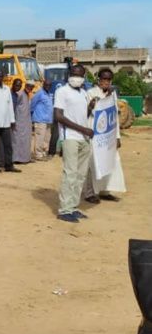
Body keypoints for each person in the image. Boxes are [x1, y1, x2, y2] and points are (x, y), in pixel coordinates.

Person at [54, 64, 96, 223]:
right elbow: (59, 116)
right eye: (73, 74)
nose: (75, 77)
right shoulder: (62, 91)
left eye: (79, 75)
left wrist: (90, 108)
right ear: (68, 75)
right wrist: (83, 129)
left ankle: (73, 206)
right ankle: (64, 209)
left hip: (84, 139)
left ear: (83, 76)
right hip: (70, 136)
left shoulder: (84, 93)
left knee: (80, 175)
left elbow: (81, 115)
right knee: (70, 173)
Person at [82, 68, 125, 204]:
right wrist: (91, 105)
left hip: (109, 135)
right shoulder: (90, 93)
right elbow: (85, 114)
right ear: (98, 79)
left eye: (108, 79)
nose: (105, 82)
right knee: (92, 163)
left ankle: (105, 190)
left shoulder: (112, 95)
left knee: (109, 161)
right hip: (94, 134)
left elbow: (114, 117)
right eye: (103, 79)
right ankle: (90, 193)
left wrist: (117, 136)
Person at [31, 78, 54, 160]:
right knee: (40, 137)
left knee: (46, 138)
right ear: (43, 85)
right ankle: (38, 154)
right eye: (46, 85)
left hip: (48, 120)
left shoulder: (49, 94)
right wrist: (32, 116)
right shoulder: (39, 93)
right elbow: (32, 104)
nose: (48, 86)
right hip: (40, 119)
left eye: (49, 85)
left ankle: (44, 153)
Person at [11, 79, 32, 164]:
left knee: (25, 141)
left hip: (25, 122)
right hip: (18, 121)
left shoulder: (27, 95)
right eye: (28, 86)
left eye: (31, 87)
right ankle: (16, 159)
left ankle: (24, 158)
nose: (30, 88)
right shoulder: (19, 94)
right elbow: (13, 107)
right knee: (16, 140)